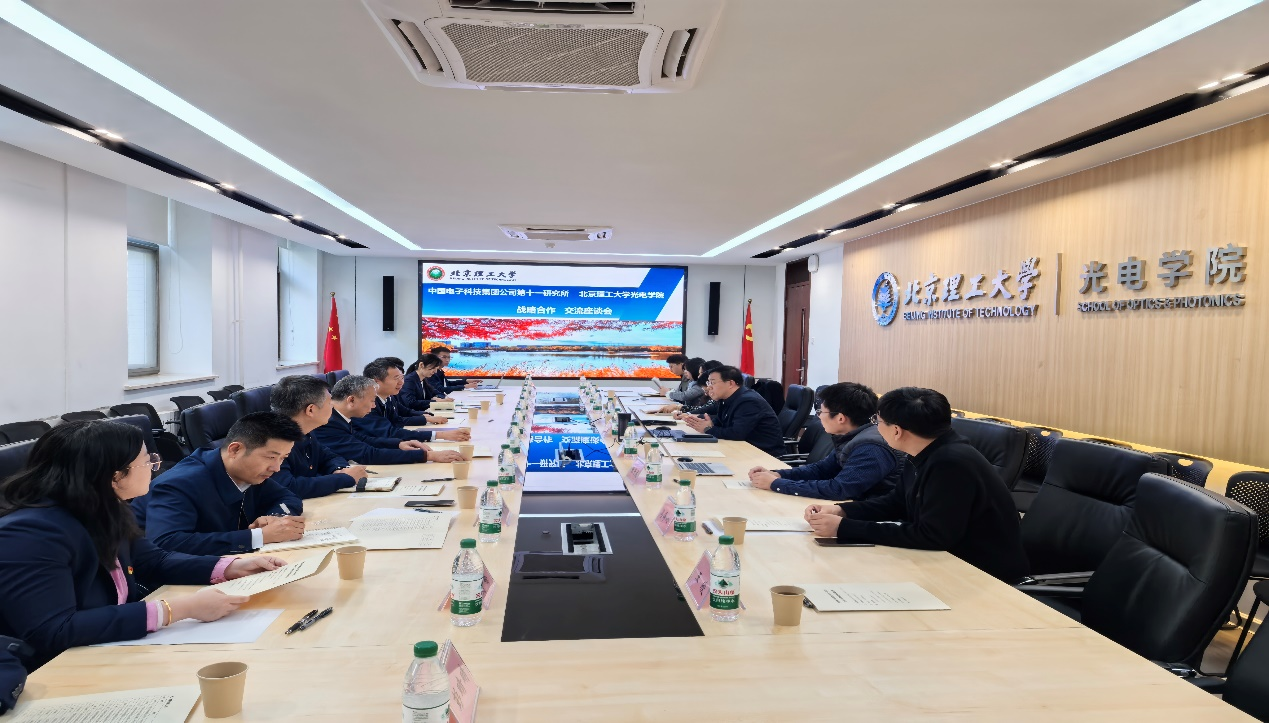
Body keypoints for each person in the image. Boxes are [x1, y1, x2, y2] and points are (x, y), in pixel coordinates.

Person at [0, 422, 286, 670]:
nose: (154, 467)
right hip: (56, 670)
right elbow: (53, 630)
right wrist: (176, 609)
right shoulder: (29, 534)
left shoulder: (103, 506)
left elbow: (153, 560)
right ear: (115, 476)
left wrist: (231, 567)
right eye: (147, 461)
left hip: (108, 648)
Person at [804, 387, 1029, 583]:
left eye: (877, 422)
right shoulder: (924, 452)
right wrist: (842, 510)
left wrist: (845, 528)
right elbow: (896, 503)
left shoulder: (950, 464)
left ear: (896, 431)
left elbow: (931, 535)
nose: (875, 427)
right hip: (945, 560)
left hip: (979, 574)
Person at [133, 413, 306, 556]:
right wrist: (258, 536)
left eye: (283, 458)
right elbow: (166, 543)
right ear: (235, 450)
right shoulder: (179, 484)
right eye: (271, 457)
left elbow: (287, 497)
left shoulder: (249, 472)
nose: (276, 468)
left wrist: (274, 517)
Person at [749, 382, 902, 500]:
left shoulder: (871, 447)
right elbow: (821, 470)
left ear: (840, 418)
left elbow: (839, 489)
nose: (819, 416)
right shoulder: (853, 437)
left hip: (875, 519)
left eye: (821, 411)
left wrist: (776, 484)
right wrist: (777, 474)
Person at [314, 375, 466, 466]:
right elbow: (368, 454)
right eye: (371, 401)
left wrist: (399, 444)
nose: (374, 405)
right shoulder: (327, 422)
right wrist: (428, 456)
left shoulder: (340, 417)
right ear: (351, 400)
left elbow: (363, 439)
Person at [269, 375, 367, 498]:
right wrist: (345, 478)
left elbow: (329, 457)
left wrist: (338, 470)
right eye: (329, 403)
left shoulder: (306, 431)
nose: (333, 407)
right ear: (311, 410)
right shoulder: (273, 440)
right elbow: (288, 486)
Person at [676, 365, 786, 457]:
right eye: (708, 383)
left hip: (764, 455)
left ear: (730, 384)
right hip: (743, 450)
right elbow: (720, 421)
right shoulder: (726, 398)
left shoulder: (748, 401)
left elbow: (736, 433)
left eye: (712, 383)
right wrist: (701, 421)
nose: (709, 387)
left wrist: (708, 429)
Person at [360, 359, 471, 443]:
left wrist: (426, 417)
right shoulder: (365, 404)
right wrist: (440, 435)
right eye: (396, 378)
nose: (401, 382)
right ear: (376, 382)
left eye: (401, 377)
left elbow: (398, 419)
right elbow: (389, 432)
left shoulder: (388, 397)